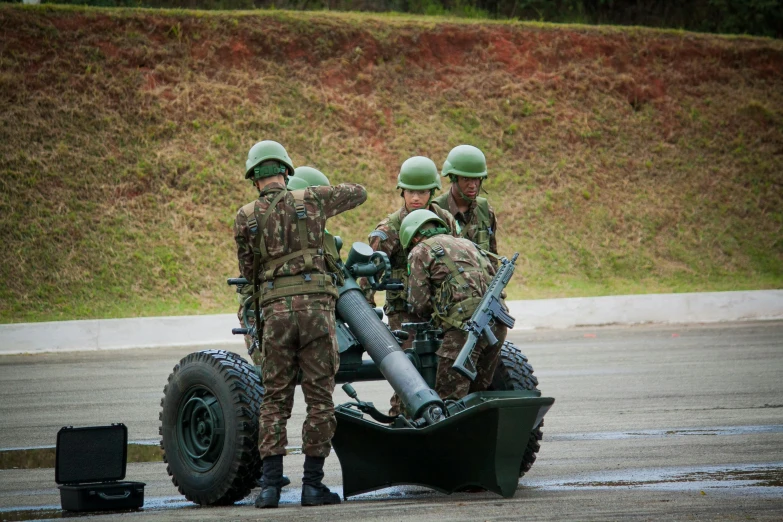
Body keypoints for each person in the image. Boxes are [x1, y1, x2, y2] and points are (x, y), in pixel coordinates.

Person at [234, 140, 367, 509]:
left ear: (254, 178)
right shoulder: (311, 199)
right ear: (286, 171)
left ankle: (270, 488)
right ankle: (312, 486)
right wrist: (319, 196)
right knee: (319, 399)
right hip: (316, 313)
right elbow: (359, 193)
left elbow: (249, 273)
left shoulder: (245, 216)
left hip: (275, 314)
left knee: (275, 399)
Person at [400, 209, 507, 401]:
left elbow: (419, 303)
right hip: (497, 322)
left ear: (413, 237)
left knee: (451, 398)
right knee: (478, 395)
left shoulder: (420, 250)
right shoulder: (468, 243)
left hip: (463, 329)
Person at [364, 156, 458, 345]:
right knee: (409, 366)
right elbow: (369, 275)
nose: (415, 198)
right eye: (410, 191)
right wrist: (367, 318)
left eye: (422, 192)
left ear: (432, 192)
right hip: (403, 313)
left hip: (441, 309)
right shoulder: (389, 229)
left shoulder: (445, 220)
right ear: (402, 192)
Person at [432, 145, 499, 267]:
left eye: (476, 179)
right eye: (465, 179)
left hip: (483, 284)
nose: (473, 185)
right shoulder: (436, 212)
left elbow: (492, 256)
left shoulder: (485, 210)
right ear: (453, 178)